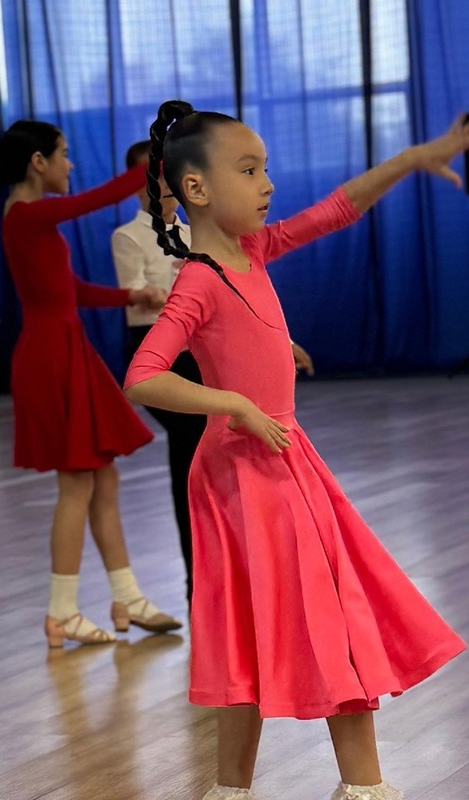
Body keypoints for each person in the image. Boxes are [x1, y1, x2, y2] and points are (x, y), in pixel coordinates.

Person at [124, 100, 469, 800]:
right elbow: (143, 376)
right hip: (241, 480)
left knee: (335, 631)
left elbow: (337, 208)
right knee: (271, 648)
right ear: (195, 187)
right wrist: (234, 401)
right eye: (248, 170)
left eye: (265, 168)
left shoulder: (253, 251)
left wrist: (412, 159)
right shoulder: (197, 282)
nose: (267, 184)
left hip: (288, 464)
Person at [0, 120, 182, 649]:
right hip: (51, 359)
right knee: (76, 484)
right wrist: (156, 161)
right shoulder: (26, 214)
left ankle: (127, 597)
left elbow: (67, 290)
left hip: (66, 350)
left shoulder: (31, 222)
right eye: (64, 153)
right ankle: (62, 612)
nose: (70, 164)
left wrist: (131, 297)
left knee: (104, 479)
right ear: (38, 162)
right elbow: (98, 198)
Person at [112, 140, 315, 603]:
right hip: (166, 357)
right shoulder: (129, 236)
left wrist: (278, 343)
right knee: (194, 456)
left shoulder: (198, 233)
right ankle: (204, 585)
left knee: (216, 460)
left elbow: (231, 308)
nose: (165, 184)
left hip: (202, 354)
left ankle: (242, 579)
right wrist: (186, 293)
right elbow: (139, 297)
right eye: (155, 176)